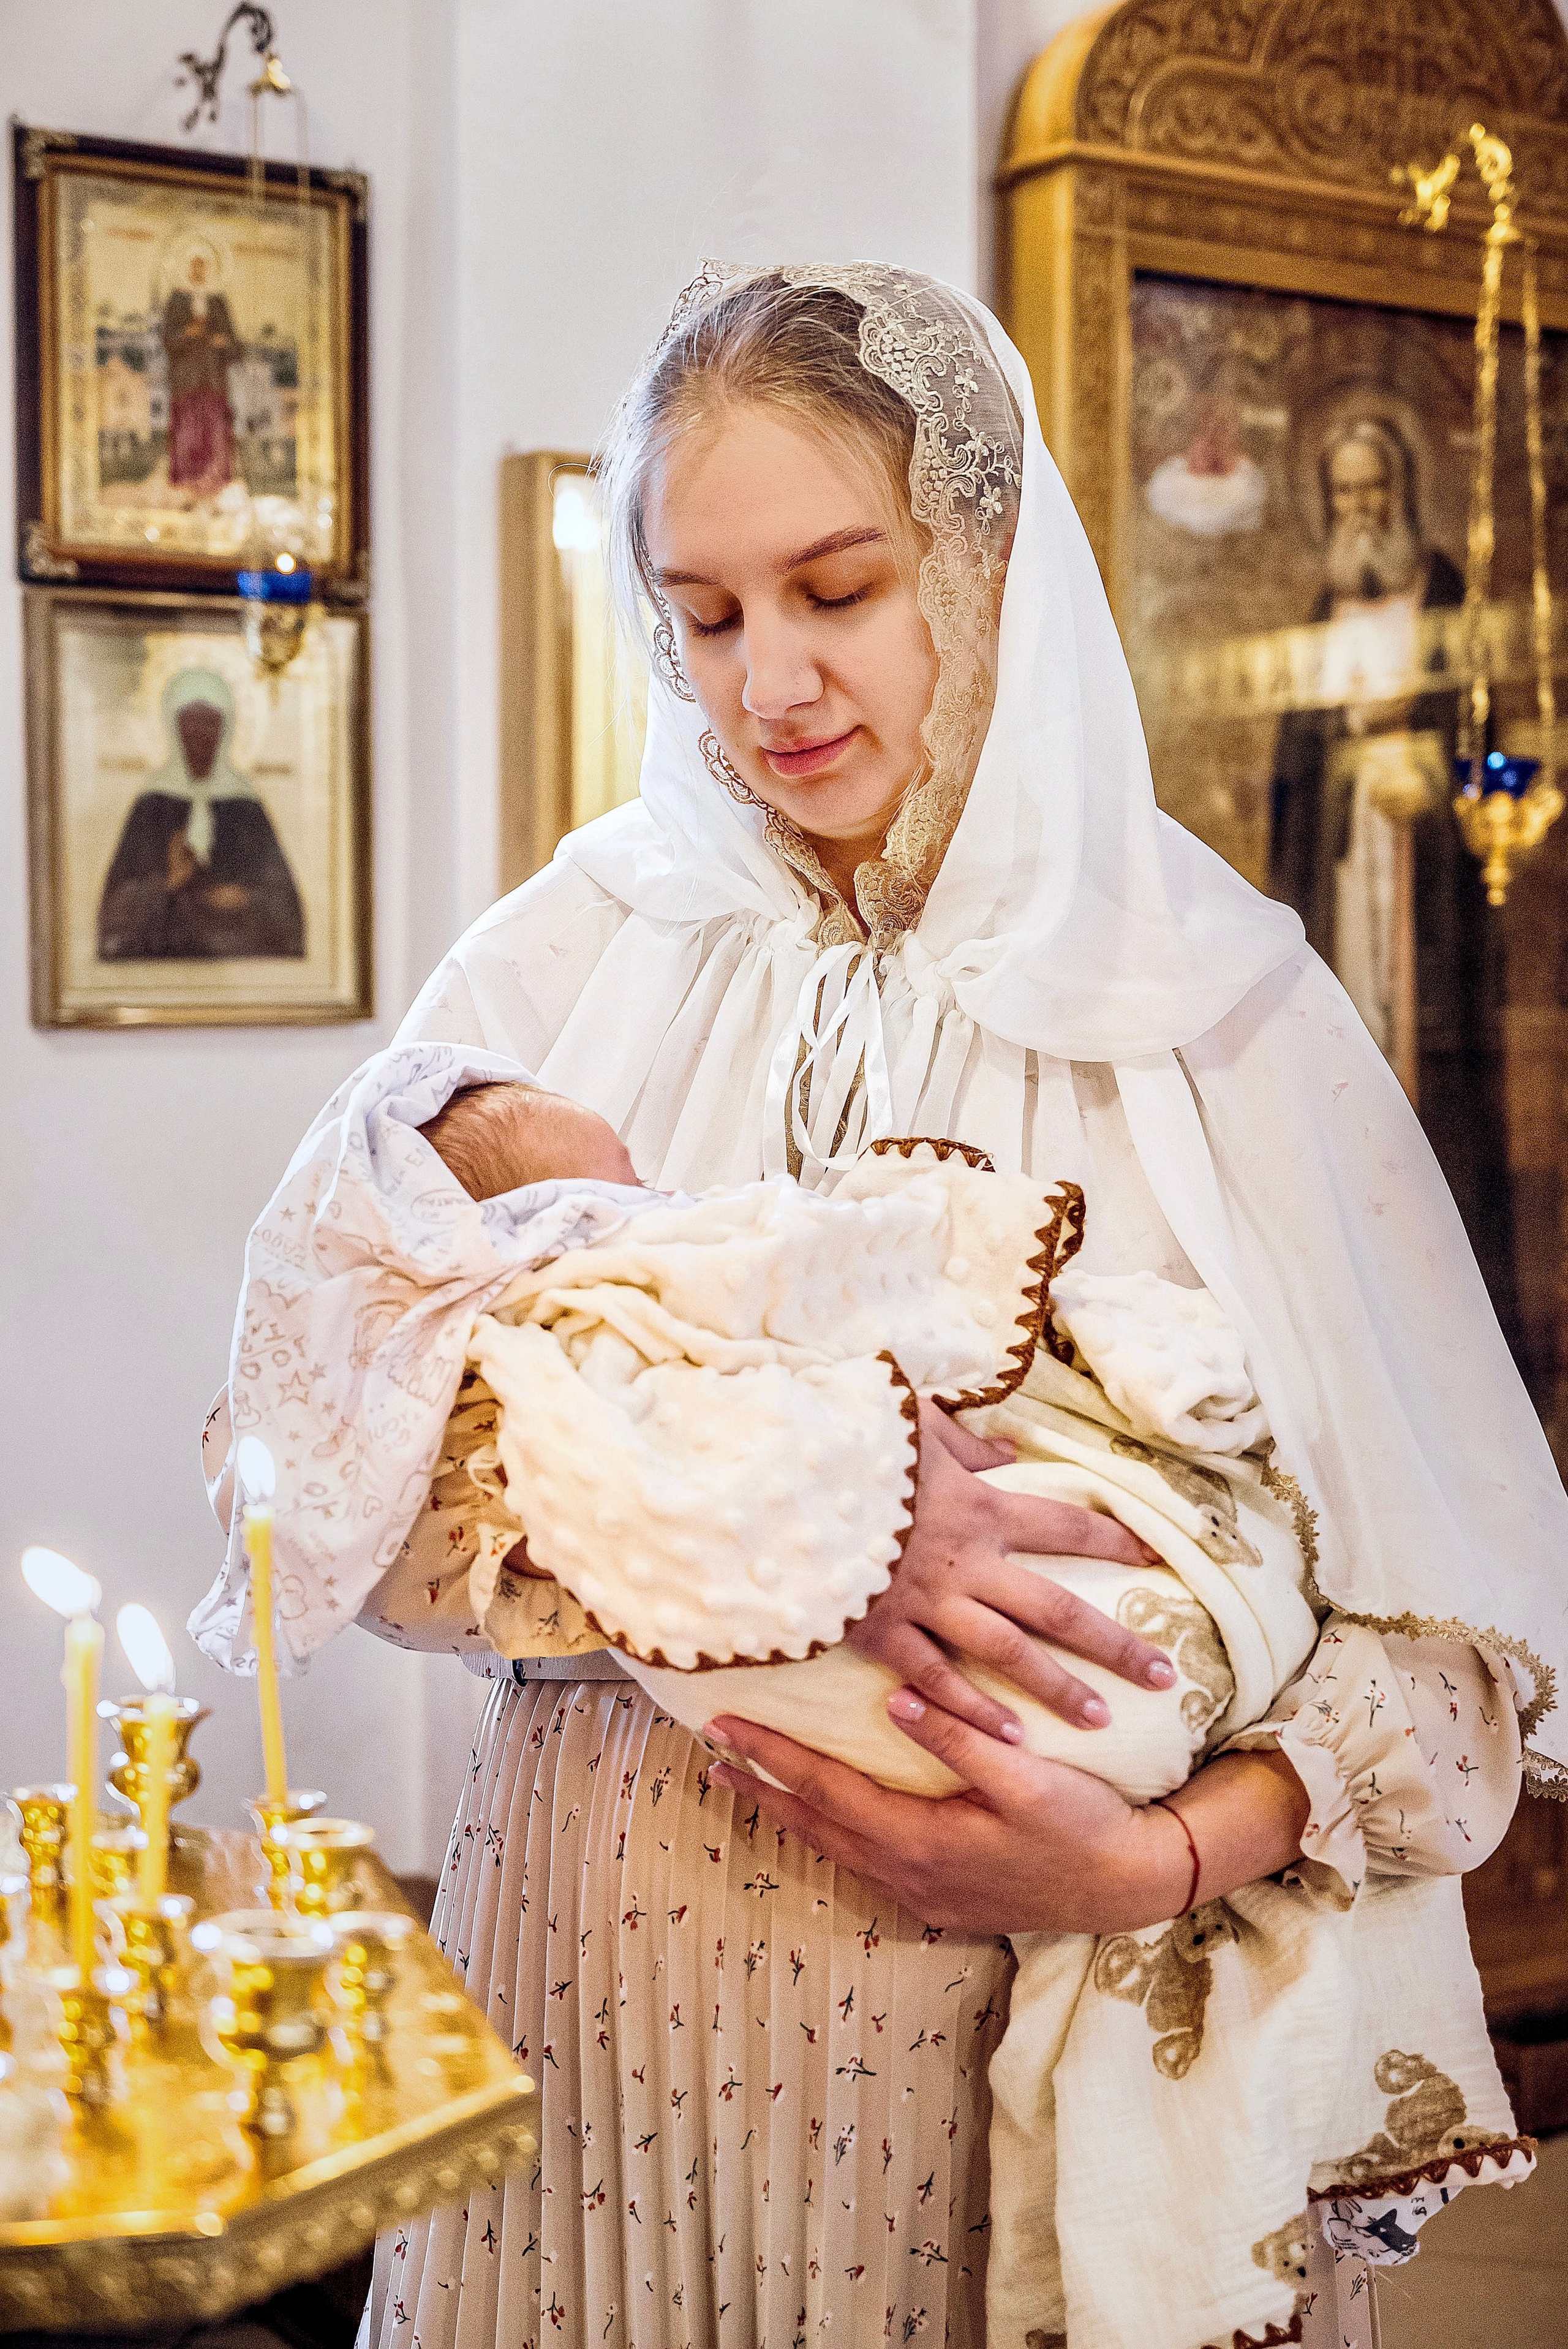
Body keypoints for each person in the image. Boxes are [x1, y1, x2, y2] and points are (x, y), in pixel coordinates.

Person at [196, 269, 1567, 2349]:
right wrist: (801, 1499)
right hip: (593, 2017)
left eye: (840, 588)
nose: (772, 683)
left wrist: (1161, 1857)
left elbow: (1460, 1652)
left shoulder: (1221, 1006)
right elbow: (326, 1440)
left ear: (987, 565)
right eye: (711, 610)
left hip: (991, 2074)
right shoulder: (568, 959)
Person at [98, 668, 305, 962]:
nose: (199, 737)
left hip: (238, 960)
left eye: (210, 725)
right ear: (173, 728)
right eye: (189, 724)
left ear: (226, 730)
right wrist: (166, 882)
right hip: (162, 961)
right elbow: (114, 916)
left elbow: (285, 908)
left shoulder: (246, 807)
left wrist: (244, 898)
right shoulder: (151, 806)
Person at [162, 245, 242, 501]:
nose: (198, 271)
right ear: (187, 269)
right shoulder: (177, 300)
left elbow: (237, 347)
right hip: (186, 380)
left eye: (202, 266)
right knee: (187, 431)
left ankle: (215, 485)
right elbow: (167, 341)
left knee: (215, 432)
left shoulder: (218, 302)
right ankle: (186, 485)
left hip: (214, 380)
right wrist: (188, 334)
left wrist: (223, 343)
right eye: (194, 265)